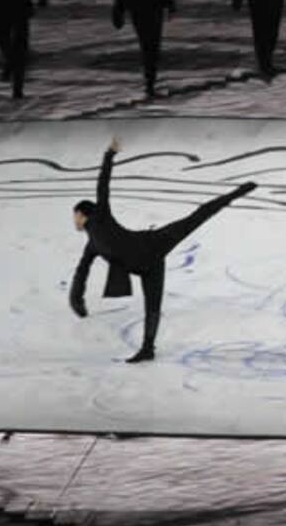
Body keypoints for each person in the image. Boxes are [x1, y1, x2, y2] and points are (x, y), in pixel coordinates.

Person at [70, 138, 256, 363]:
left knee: (196, 217)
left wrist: (109, 154)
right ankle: (148, 349)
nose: (74, 221)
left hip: (152, 243)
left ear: (82, 214)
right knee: (153, 305)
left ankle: (237, 192)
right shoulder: (91, 246)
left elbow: (103, 184)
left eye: (75, 216)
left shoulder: (100, 215)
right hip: (150, 262)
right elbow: (82, 272)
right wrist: (77, 300)